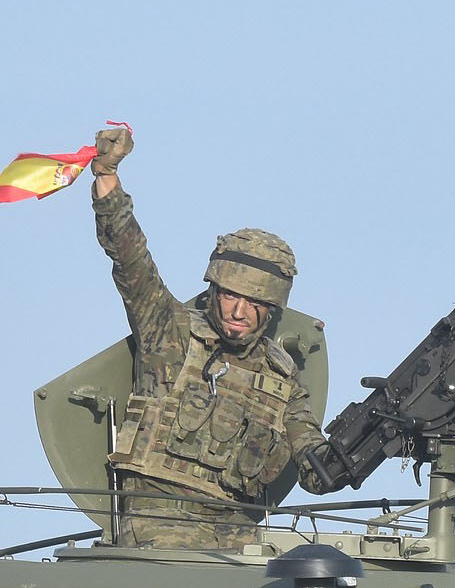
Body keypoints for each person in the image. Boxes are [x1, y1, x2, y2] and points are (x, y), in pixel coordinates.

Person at [89, 126, 348, 549]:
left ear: (273, 308)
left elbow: (311, 458)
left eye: (255, 302)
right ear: (214, 290)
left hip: (237, 537)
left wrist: (343, 459)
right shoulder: (168, 332)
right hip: (155, 522)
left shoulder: (282, 379)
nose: (239, 311)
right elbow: (130, 256)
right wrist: (107, 176)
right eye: (230, 295)